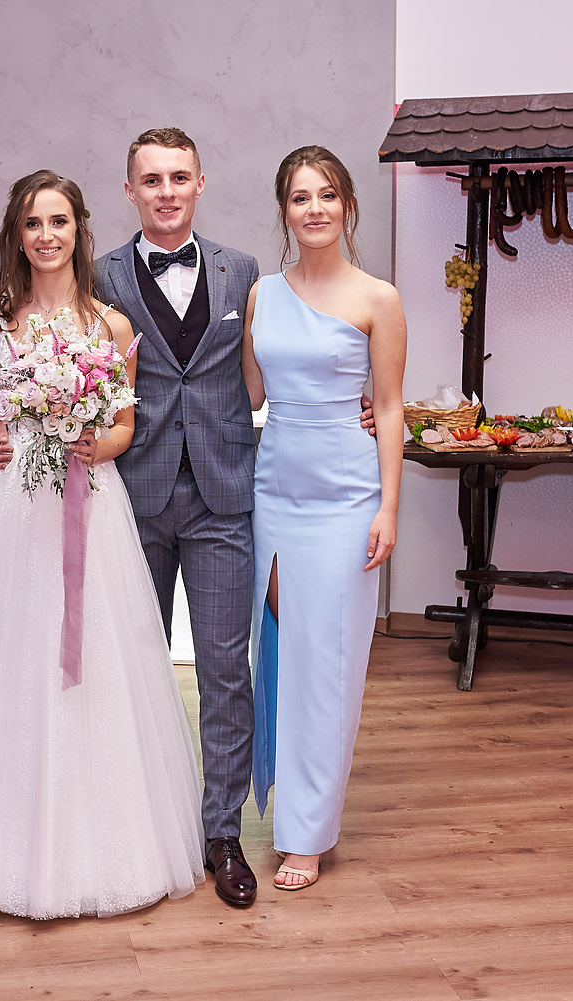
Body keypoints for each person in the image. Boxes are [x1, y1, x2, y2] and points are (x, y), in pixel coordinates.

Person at [0, 170, 205, 919]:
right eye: (33, 223)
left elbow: (126, 423)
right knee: (7, 660)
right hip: (17, 513)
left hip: (92, 503)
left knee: (100, 666)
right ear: (17, 236)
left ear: (79, 230)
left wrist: (97, 442)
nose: (47, 235)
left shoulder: (112, 325)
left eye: (58, 221)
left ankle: (104, 847)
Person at [0, 128, 263, 907]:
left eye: (179, 177)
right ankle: (132, 831)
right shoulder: (96, 275)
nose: (165, 191)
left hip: (220, 498)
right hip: (126, 497)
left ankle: (221, 834)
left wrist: (350, 406)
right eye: (151, 179)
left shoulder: (243, 271)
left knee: (224, 671)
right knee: (125, 668)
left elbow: (263, 372)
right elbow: (26, 358)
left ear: (200, 183)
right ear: (129, 190)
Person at [241, 146, 406, 891]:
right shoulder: (261, 295)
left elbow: (391, 407)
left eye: (328, 194)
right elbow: (248, 395)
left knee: (328, 665)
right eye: (301, 196)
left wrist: (390, 507)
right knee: (281, 654)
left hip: (347, 499)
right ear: (284, 210)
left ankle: (307, 835)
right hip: (274, 492)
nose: (315, 208)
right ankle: (276, 803)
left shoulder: (379, 298)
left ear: (347, 207)